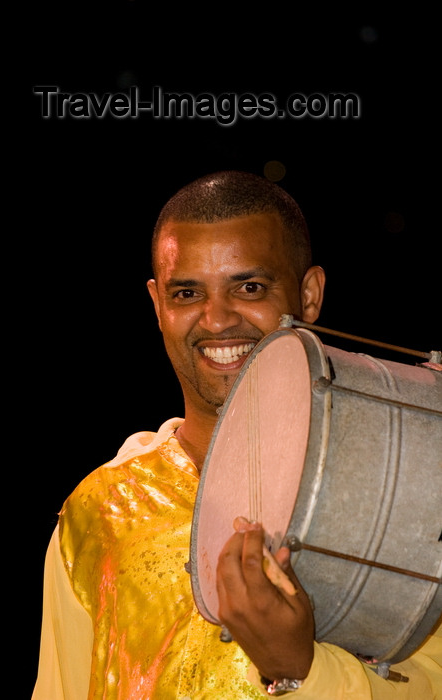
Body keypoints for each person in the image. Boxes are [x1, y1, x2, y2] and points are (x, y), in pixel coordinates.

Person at [32, 170, 441, 699]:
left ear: (309, 294)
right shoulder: (102, 514)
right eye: (187, 292)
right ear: (158, 305)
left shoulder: (413, 471)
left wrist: (298, 669)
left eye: (249, 287)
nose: (218, 319)